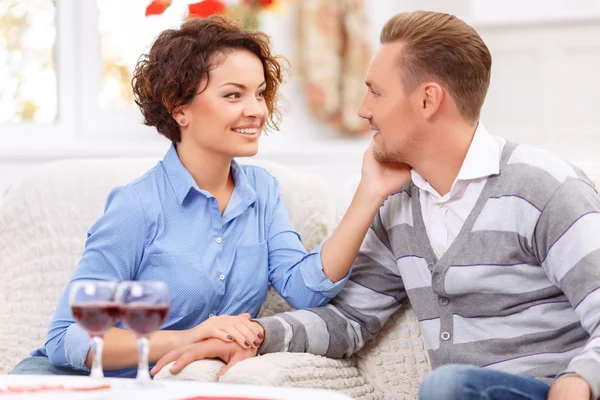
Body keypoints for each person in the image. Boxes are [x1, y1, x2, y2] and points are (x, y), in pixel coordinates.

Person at [151, 11, 600, 400]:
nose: (364, 110)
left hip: (548, 391)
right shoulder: (402, 204)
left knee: (446, 388)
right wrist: (257, 335)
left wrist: (579, 380)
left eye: (376, 92)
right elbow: (350, 319)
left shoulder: (542, 186)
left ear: (428, 99)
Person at [9, 15, 410, 378]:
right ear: (178, 107)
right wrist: (190, 338)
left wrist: (369, 192)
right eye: (234, 95)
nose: (256, 110)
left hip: (174, 385)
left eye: (259, 93)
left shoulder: (262, 191)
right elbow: (67, 340)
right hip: (74, 383)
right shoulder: (138, 206)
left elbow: (304, 288)